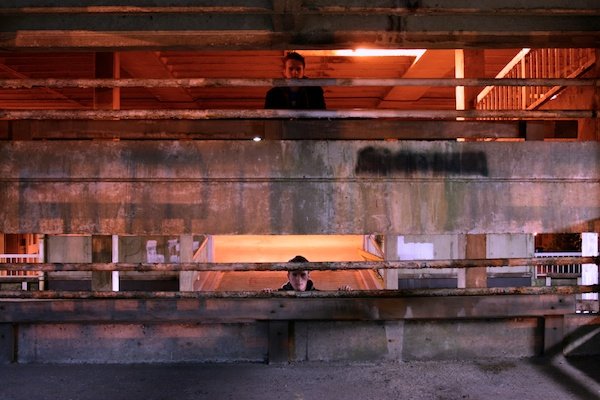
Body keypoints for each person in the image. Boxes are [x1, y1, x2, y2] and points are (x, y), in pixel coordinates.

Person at [267, 255, 351, 292]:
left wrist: (343, 295)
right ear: (288, 276)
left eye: (302, 275)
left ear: (308, 276)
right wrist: (265, 296)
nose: (299, 280)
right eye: (294, 274)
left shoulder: (319, 296)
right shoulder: (277, 295)